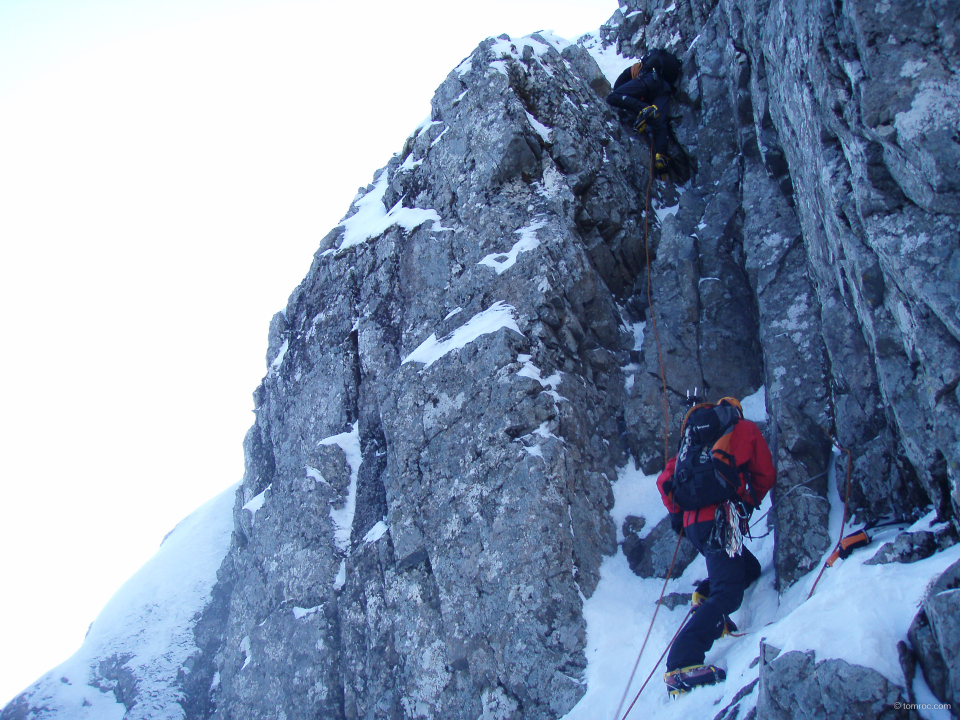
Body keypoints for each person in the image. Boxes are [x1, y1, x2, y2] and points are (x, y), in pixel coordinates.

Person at [655, 397, 776, 696]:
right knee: (730, 593)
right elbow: (765, 474)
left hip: (694, 525)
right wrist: (748, 503)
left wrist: (677, 514)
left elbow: (664, 481)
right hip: (719, 521)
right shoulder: (743, 429)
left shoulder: (691, 445)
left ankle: (706, 596)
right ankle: (680, 665)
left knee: (748, 569)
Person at [606, 58, 674, 171]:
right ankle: (661, 156)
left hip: (649, 81)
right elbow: (661, 122)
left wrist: (638, 107)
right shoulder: (661, 78)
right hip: (663, 88)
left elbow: (617, 93)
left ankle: (644, 109)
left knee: (612, 97)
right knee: (659, 119)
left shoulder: (630, 74)